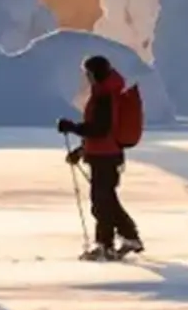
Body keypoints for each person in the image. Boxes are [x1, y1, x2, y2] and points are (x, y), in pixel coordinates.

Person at [58, 55, 144, 261]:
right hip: (105, 156)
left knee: (101, 204)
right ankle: (129, 237)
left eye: (88, 73)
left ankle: (105, 246)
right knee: (108, 201)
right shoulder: (104, 94)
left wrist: (73, 127)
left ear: (96, 74)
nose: (86, 77)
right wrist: (81, 151)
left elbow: (99, 130)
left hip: (105, 158)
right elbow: (103, 132)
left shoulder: (105, 97)